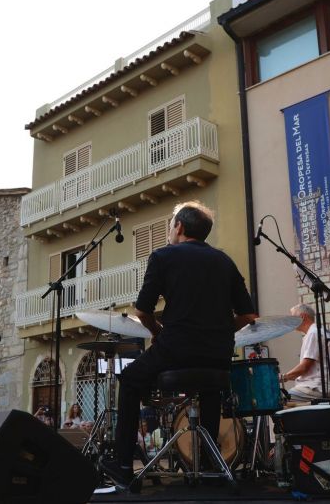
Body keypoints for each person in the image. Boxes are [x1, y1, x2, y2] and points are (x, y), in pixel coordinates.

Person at [100, 201, 257, 486]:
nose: (170, 230)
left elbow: (142, 311)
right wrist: (221, 331)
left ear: (180, 227)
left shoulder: (163, 256)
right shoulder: (225, 261)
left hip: (176, 349)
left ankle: (123, 465)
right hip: (216, 356)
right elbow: (248, 315)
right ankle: (209, 463)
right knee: (209, 389)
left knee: (132, 379)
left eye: (171, 225)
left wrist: (157, 331)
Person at [282, 303, 330, 401]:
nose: (290, 321)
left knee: (279, 400)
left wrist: (282, 377)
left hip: (316, 387)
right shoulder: (313, 333)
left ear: (302, 317)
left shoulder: (314, 333)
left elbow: (304, 367)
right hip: (313, 386)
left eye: (292, 317)